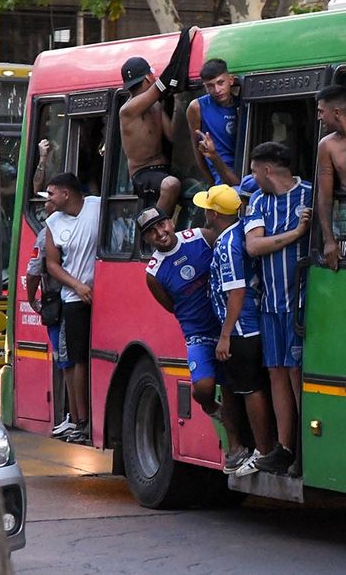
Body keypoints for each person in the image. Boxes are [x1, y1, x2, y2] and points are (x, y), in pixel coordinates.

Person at [138, 204, 253, 473]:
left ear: (170, 221)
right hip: (197, 334)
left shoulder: (202, 236)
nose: (160, 233)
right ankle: (214, 410)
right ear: (146, 240)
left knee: (230, 388)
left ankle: (236, 449)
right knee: (202, 388)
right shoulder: (153, 273)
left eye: (161, 225)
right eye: (151, 232)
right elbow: (171, 306)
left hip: (225, 325)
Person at [191, 185, 278, 477]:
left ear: (214, 214)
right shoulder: (237, 233)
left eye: (206, 208)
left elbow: (236, 292)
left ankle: (262, 451)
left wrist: (226, 335)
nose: (204, 212)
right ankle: (251, 449)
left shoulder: (228, 245)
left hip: (242, 329)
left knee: (249, 389)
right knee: (244, 388)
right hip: (245, 326)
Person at [245, 142, 313, 476]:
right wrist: (297, 233)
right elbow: (254, 246)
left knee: (296, 372)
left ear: (268, 170)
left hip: (300, 303)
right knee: (277, 372)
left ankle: (304, 448)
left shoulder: (310, 195)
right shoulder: (258, 200)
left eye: (255, 170)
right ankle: (284, 448)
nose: (252, 177)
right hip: (270, 303)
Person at [43, 173, 100, 444]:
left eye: (51, 193)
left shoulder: (98, 206)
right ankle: (80, 421)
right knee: (78, 359)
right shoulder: (53, 222)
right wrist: (77, 286)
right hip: (75, 299)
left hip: (104, 295)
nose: (48, 199)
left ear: (67, 193)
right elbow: (52, 264)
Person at [118, 27, 195, 215]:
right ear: (148, 76)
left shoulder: (156, 105)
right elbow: (165, 82)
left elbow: (172, 135)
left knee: (198, 188)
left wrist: (177, 102)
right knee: (171, 184)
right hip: (143, 174)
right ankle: (155, 230)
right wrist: (186, 38)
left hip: (164, 169)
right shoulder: (127, 110)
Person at [26, 190, 74, 438]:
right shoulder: (82, 226)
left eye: (48, 199)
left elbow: (34, 271)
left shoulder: (46, 233)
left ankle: (71, 417)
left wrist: (32, 298)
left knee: (64, 359)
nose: (45, 204)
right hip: (81, 301)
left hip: (58, 303)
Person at [313, 85, 346, 271]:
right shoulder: (327, 145)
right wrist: (328, 240)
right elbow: (324, 196)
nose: (319, 117)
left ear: (336, 112)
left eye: (321, 111)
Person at [187, 58, 241, 186]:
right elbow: (197, 150)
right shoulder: (197, 107)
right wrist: (210, 182)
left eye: (220, 83)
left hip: (246, 172)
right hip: (221, 178)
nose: (217, 90)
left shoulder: (243, 104)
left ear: (231, 80)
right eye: (210, 86)